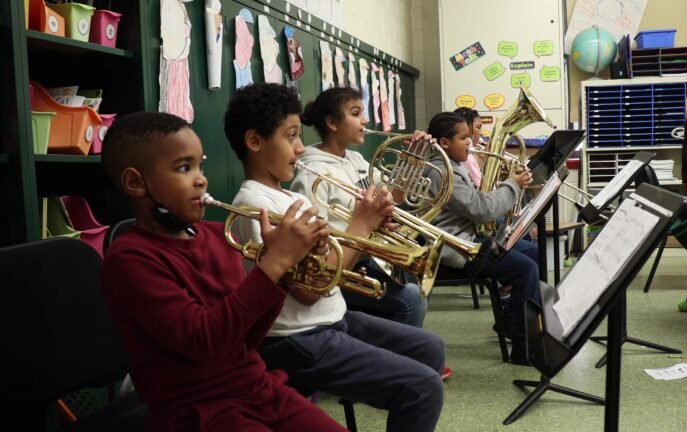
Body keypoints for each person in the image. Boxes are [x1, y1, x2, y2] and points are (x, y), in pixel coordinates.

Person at [99, 111, 347, 432]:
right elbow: (205, 342)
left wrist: (286, 270)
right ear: (136, 183)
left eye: (200, 164)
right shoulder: (129, 259)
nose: (201, 178)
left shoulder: (218, 235)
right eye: (184, 168)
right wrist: (274, 264)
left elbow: (247, 338)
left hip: (256, 388)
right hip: (194, 410)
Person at [224, 83, 446, 432]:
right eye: (291, 136)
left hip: (331, 318)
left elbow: (328, 258)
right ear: (255, 142)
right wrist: (360, 225)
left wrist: (371, 226)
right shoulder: (256, 207)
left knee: (430, 347)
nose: (300, 148)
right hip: (295, 339)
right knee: (422, 387)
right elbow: (309, 290)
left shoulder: (283, 197)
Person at [290, 87, 428, 328]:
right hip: (342, 263)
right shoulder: (313, 172)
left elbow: (395, 195)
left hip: (366, 254)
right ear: (332, 122)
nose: (365, 120)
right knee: (411, 300)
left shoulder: (355, 159)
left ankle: (408, 351)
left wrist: (413, 158)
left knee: (420, 280)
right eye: (356, 113)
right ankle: (402, 359)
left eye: (363, 113)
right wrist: (363, 223)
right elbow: (315, 244)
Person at [424, 111, 541, 365]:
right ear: (444, 143)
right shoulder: (441, 172)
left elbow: (476, 206)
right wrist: (512, 185)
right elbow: (480, 209)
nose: (470, 143)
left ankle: (510, 323)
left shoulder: (451, 166)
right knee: (526, 269)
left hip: (472, 237)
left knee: (533, 252)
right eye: (464, 138)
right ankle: (524, 348)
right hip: (457, 248)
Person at [454, 106, 484, 188]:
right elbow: (482, 187)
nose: (481, 133)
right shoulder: (467, 157)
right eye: (478, 127)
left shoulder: (468, 155)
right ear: (466, 128)